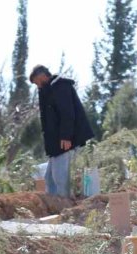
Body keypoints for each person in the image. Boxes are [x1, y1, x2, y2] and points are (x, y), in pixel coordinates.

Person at [29, 65, 94, 198]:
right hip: (55, 142)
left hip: (65, 140)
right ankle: (54, 207)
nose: (38, 86)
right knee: (49, 178)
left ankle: (65, 206)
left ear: (42, 76)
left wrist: (66, 136)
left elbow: (67, 113)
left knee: (60, 177)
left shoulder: (60, 87)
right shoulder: (48, 90)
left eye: (37, 82)